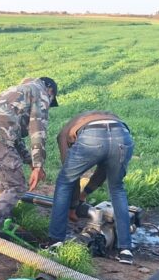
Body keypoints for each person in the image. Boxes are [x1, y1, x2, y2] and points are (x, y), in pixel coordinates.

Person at [0, 77, 58, 243]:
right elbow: (37, 132)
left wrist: (30, 161)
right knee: (17, 185)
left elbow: (15, 136)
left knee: (6, 182)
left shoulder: (21, 91)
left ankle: (1, 221)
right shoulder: (41, 93)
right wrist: (38, 166)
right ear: (50, 90)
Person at [47, 111, 135, 263]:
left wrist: (73, 206)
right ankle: (125, 250)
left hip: (92, 136)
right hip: (122, 135)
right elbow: (103, 172)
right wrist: (84, 194)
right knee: (117, 188)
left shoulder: (64, 134)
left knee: (63, 182)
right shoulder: (108, 118)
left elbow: (70, 179)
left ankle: (55, 242)